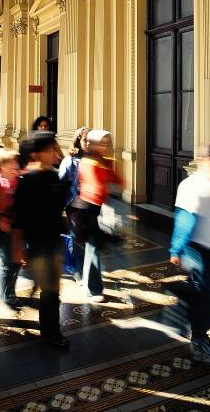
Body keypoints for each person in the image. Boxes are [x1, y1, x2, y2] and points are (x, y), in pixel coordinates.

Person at [169, 143, 210, 358]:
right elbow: (185, 220)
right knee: (208, 295)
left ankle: (189, 312)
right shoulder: (193, 186)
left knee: (209, 292)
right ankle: (199, 335)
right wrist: (176, 249)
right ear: (208, 161)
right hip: (198, 251)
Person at [13, 132, 68, 347]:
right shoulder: (28, 180)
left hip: (54, 239)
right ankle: (51, 331)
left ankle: (50, 329)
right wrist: (18, 247)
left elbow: (59, 207)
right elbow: (19, 217)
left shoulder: (54, 176)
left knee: (51, 287)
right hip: (38, 242)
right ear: (37, 153)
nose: (54, 152)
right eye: (50, 149)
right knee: (51, 289)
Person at [77, 129, 122, 303]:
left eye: (107, 143)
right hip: (91, 209)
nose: (105, 146)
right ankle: (92, 289)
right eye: (102, 143)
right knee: (93, 249)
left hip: (103, 208)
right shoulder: (88, 161)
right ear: (93, 144)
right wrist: (108, 185)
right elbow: (96, 186)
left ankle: (93, 285)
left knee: (96, 248)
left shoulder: (105, 161)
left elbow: (118, 182)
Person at [58, 127, 90, 281]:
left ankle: (87, 269)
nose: (89, 143)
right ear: (78, 141)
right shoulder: (70, 161)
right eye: (85, 140)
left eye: (91, 140)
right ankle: (77, 270)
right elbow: (62, 184)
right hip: (75, 206)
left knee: (88, 240)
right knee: (76, 240)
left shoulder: (93, 160)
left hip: (92, 206)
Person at [0, 148, 21, 308]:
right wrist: (1, 219)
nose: (15, 166)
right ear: (1, 166)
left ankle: (10, 290)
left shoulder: (19, 181)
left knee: (16, 262)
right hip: (3, 229)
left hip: (17, 227)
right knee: (7, 262)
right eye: (11, 163)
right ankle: (7, 293)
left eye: (16, 163)